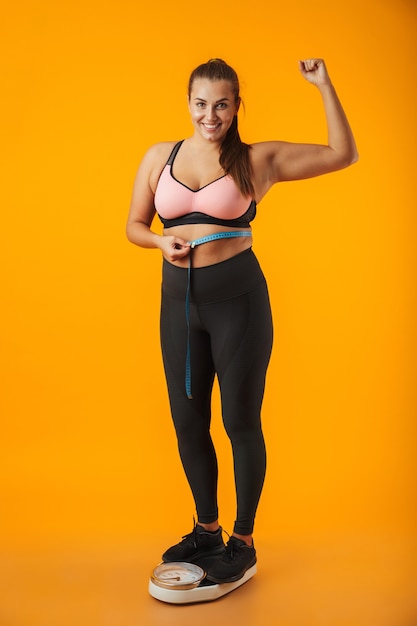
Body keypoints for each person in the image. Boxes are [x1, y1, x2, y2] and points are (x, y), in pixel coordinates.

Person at [126, 58, 358, 584]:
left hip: (239, 305)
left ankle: (243, 541)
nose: (211, 114)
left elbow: (344, 154)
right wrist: (161, 241)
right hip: (178, 306)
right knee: (187, 423)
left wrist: (324, 84)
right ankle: (206, 530)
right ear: (188, 104)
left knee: (239, 421)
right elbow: (135, 225)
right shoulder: (158, 157)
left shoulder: (257, 159)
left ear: (236, 107)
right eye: (202, 104)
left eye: (223, 104)